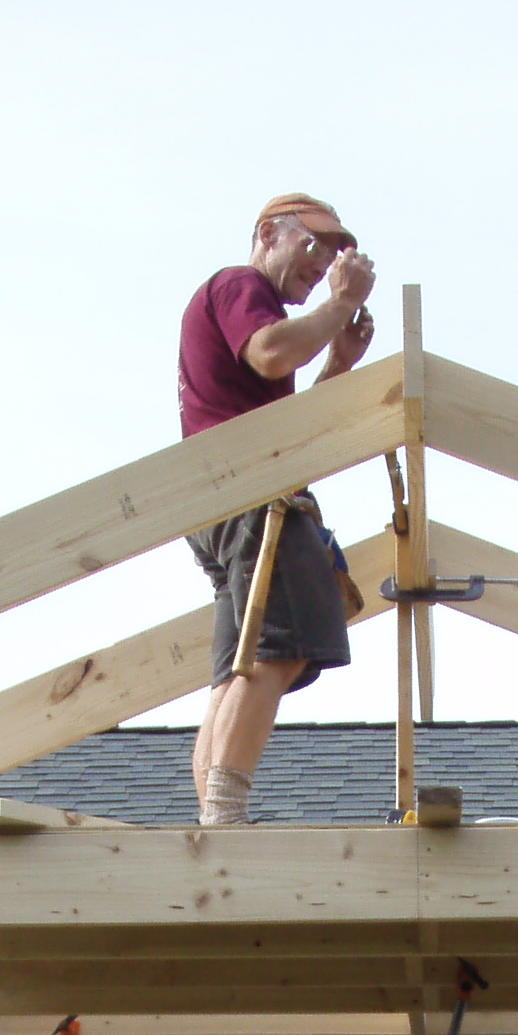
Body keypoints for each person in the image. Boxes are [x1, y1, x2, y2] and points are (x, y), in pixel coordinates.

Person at [176, 194, 377, 825]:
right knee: (276, 653)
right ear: (268, 233)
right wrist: (339, 305)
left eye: (332, 260)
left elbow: (287, 434)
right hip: (249, 498)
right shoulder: (240, 286)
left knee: (239, 667)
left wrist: (339, 361)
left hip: (223, 500)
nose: (322, 267)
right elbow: (270, 352)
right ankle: (224, 819)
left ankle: (214, 815)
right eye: (314, 247)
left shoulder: (254, 319)